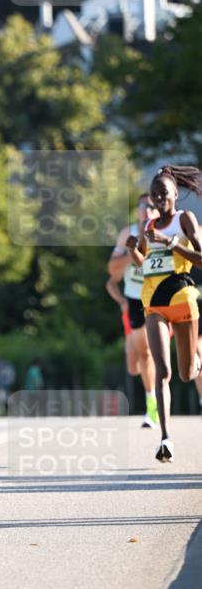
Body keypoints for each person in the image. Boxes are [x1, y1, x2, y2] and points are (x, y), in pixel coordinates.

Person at [126, 165, 202, 461]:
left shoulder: (185, 219)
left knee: (186, 374)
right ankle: (166, 438)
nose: (159, 199)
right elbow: (143, 264)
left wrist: (171, 243)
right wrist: (134, 249)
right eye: (154, 195)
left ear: (175, 195)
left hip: (182, 299)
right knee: (163, 370)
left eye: (164, 194)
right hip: (154, 302)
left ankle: (196, 359)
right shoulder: (148, 225)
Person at [106, 194, 159, 428]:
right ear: (137, 211)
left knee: (149, 352)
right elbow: (112, 272)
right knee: (133, 364)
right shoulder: (127, 234)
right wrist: (132, 253)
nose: (146, 210)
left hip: (159, 298)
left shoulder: (167, 232)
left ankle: (153, 404)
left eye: (151, 206)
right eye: (142, 206)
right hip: (134, 299)